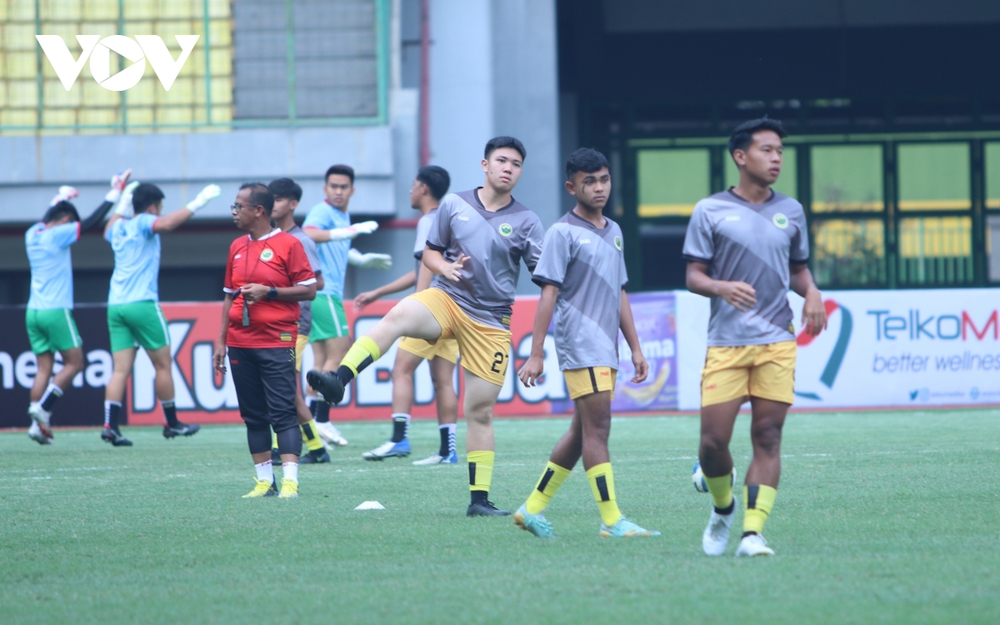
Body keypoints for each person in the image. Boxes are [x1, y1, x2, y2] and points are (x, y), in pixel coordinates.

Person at [308, 137, 544, 517]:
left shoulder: (528, 221)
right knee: (397, 317)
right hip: (447, 299)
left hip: (491, 321)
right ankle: (339, 379)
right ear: (484, 165)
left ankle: (479, 501)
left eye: (516, 164)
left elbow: (545, 277)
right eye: (501, 160)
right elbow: (431, 252)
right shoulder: (454, 205)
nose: (508, 168)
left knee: (480, 411)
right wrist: (444, 268)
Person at [683, 118, 827, 557]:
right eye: (767, 150)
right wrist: (721, 287)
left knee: (768, 436)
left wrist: (813, 292)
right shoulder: (710, 210)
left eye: (780, 151)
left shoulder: (793, 210)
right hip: (726, 342)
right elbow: (693, 275)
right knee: (712, 443)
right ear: (740, 157)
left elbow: (797, 269)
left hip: (777, 340)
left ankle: (752, 532)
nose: (777, 158)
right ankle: (723, 508)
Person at [514, 148, 658, 538]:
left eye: (604, 179)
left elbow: (620, 292)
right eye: (589, 181)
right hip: (580, 343)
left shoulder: (614, 231)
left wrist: (636, 347)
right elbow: (548, 293)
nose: (598, 187)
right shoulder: (561, 232)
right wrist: (536, 352)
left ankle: (530, 510)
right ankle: (612, 520)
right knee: (599, 430)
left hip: (605, 347)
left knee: (581, 433)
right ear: (571, 186)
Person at [213, 183, 317, 498]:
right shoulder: (236, 246)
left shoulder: (289, 244)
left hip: (277, 338)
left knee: (283, 411)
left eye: (238, 206)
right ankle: (263, 482)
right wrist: (220, 341)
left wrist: (269, 292)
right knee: (252, 414)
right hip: (240, 342)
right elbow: (229, 298)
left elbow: (309, 289)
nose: (234, 212)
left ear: (258, 210)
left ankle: (290, 482)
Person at [100, 180, 220, 446]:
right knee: (163, 364)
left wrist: (122, 199)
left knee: (120, 371)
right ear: (153, 207)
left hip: (115, 305)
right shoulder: (144, 221)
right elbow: (165, 225)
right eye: (160, 207)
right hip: (142, 303)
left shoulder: (118, 226)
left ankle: (110, 425)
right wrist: (199, 201)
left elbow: (108, 226)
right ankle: (172, 423)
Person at [355, 165, 461, 465]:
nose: (411, 190)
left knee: (401, 370)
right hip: (454, 309)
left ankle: (399, 438)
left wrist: (418, 305)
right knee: (443, 380)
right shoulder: (448, 220)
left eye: (414, 185)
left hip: (432, 309)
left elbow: (426, 268)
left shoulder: (428, 221)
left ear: (424, 189)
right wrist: (379, 292)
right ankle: (448, 450)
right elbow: (421, 268)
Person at [24, 173, 131, 444]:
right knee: (75, 362)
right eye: (69, 223)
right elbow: (92, 223)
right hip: (55, 310)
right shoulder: (58, 234)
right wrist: (115, 193)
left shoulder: (32, 233)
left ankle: (37, 426)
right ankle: (42, 408)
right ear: (63, 222)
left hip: (33, 311)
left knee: (43, 369)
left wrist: (62, 197)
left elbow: (51, 214)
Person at [302, 164, 391, 447]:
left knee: (319, 363)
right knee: (341, 353)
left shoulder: (341, 215)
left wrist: (358, 258)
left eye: (343, 187)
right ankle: (323, 419)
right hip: (325, 292)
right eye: (333, 186)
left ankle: (307, 427)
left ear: (351, 190)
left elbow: (335, 246)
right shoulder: (323, 211)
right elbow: (309, 234)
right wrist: (347, 231)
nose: (338, 191)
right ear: (325, 188)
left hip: (320, 295)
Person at [267, 177, 331, 464]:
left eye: (278, 199)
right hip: (274, 324)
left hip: (295, 325)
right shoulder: (270, 239)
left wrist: (277, 292)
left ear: (293, 204)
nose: (273, 204)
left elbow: (318, 283)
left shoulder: (301, 240)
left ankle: (292, 448)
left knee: (284, 389)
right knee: (285, 389)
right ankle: (315, 449)